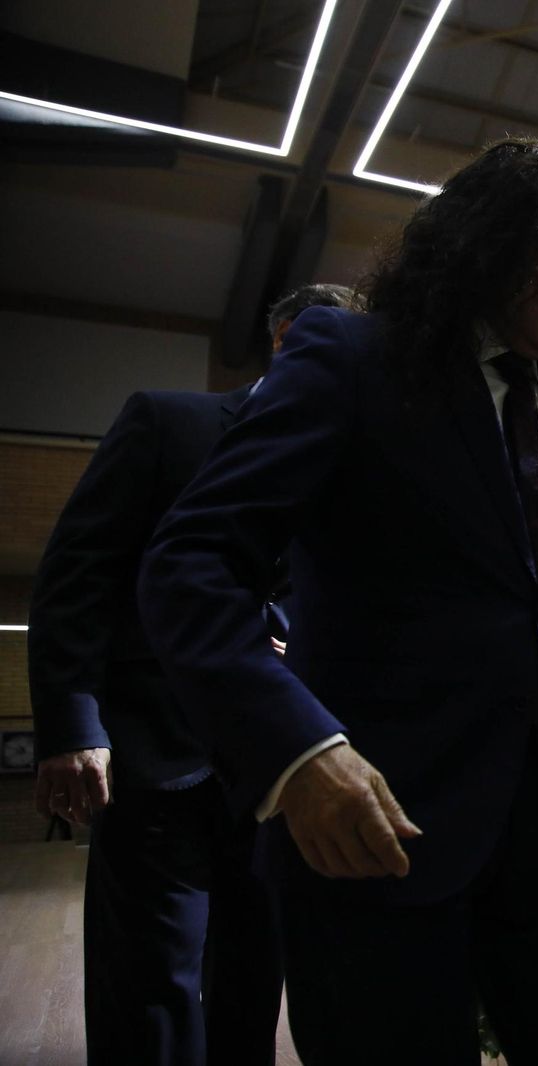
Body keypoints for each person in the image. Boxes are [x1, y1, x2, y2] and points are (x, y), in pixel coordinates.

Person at [136, 141, 538, 1065]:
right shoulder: (351, 354)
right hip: (374, 832)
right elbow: (190, 561)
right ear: (485, 235)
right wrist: (297, 752)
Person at [30, 282, 355, 1066]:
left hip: (279, 769)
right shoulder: (169, 421)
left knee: (254, 979)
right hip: (154, 752)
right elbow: (79, 577)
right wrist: (75, 724)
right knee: (151, 982)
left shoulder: (350, 468)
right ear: (288, 342)